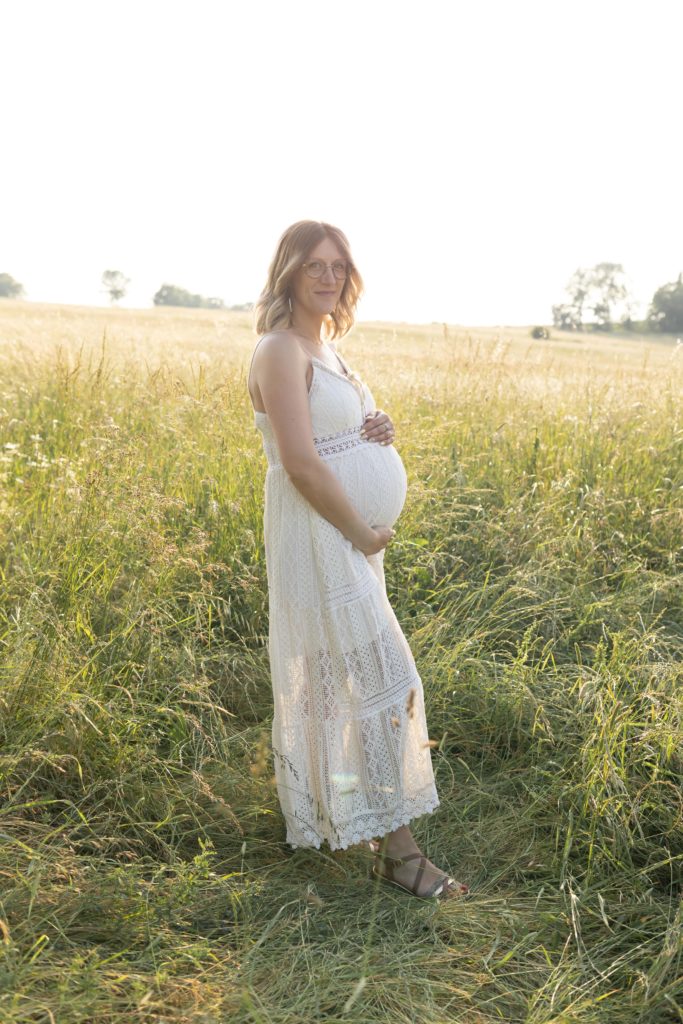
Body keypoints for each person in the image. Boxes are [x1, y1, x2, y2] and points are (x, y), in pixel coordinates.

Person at [247, 220, 468, 901]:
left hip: (345, 536)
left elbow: (339, 434)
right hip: (322, 533)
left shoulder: (327, 347)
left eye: (337, 266)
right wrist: (361, 533)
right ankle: (399, 857)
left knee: (332, 679)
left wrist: (379, 431)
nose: (327, 277)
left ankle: (335, 814)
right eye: (313, 265)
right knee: (384, 678)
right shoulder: (279, 349)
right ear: (287, 271)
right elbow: (299, 463)